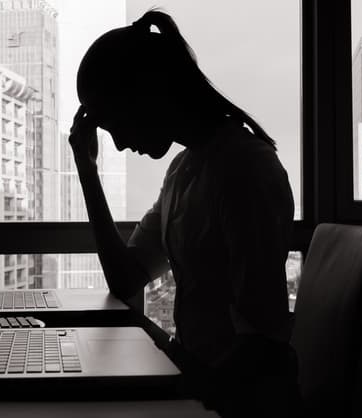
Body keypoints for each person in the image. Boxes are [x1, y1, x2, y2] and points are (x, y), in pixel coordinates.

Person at [69, 9, 300, 418]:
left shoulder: (244, 171)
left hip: (234, 404)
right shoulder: (186, 171)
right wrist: (87, 171)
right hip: (210, 389)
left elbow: (261, 346)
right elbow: (126, 279)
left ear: (147, 94)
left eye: (115, 121)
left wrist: (171, 383)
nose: (120, 143)